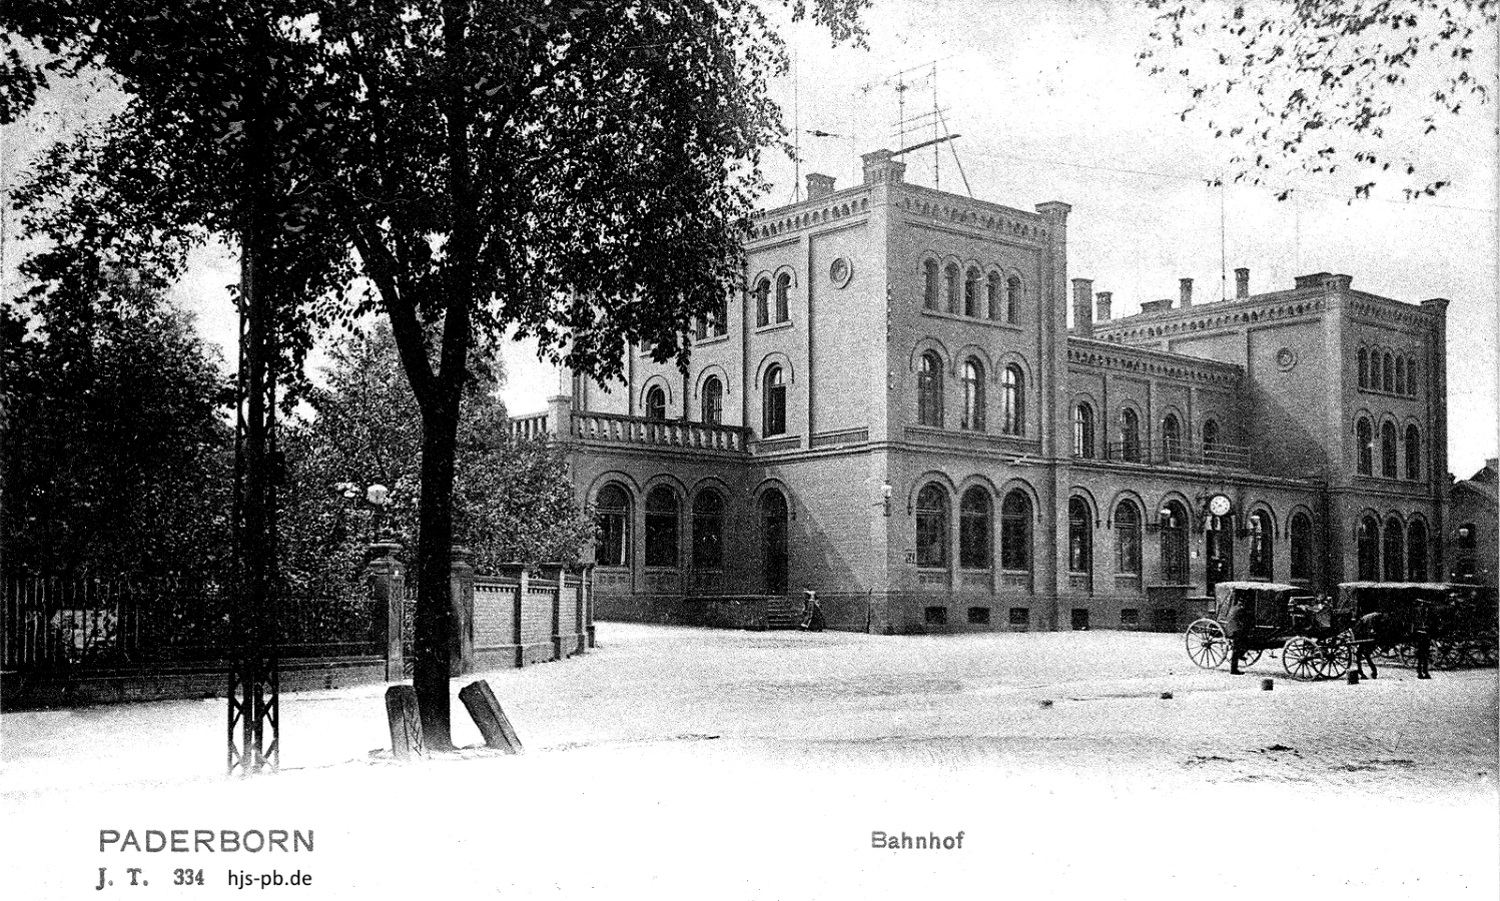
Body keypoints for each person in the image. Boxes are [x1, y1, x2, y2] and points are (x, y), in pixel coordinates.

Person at [1225, 592, 1255, 675]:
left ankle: (1240, 655)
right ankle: (1234, 669)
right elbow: (1242, 622)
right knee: (1237, 649)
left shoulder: (1235, 607)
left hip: (1232, 629)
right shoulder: (1240, 609)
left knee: (1243, 644)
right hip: (1235, 630)